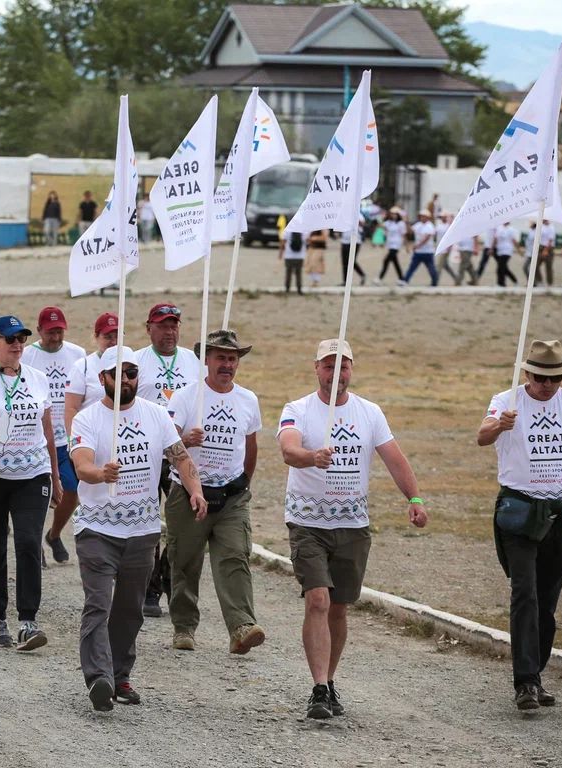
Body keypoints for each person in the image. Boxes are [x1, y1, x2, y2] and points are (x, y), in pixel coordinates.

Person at [277, 339, 427, 720]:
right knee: (318, 600)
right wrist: (312, 457)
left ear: (351, 371)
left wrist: (414, 499)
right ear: (316, 369)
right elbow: (288, 450)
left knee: (339, 609)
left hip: (353, 526)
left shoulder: (369, 412)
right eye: (329, 366)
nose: (336, 373)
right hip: (308, 522)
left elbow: (394, 458)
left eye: (343, 366)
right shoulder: (297, 409)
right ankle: (318, 688)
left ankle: (329, 679)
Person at [476, 339, 562, 710]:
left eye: (554, 378)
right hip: (518, 512)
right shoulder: (506, 400)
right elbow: (481, 435)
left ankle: (535, 674)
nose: (547, 385)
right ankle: (525, 682)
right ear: (527, 374)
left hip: (559, 513)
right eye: (539, 377)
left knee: (548, 601)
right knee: (525, 593)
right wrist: (500, 425)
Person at [68, 345, 207, 711]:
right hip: (97, 528)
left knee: (130, 609)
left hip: (142, 530)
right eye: (119, 374)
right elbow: (81, 466)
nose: (127, 380)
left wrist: (195, 491)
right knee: (98, 604)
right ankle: (98, 677)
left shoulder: (157, 415)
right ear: (103, 379)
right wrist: (101, 473)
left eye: (132, 373)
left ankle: (120, 674)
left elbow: (181, 457)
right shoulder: (86, 419)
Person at [0, 315, 62, 650]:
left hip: (32, 474)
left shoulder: (37, 378)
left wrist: (55, 475)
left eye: (21, 339)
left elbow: (47, 427)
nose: (17, 345)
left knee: (29, 543)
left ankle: (29, 621)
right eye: (9, 339)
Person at [165, 330, 265, 654]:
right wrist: (186, 442)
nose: (227, 364)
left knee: (235, 555)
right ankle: (183, 626)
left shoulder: (248, 399)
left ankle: (241, 627)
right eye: (220, 357)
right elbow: (166, 444)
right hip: (188, 493)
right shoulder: (184, 397)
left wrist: (243, 483)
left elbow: (251, 446)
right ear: (205, 360)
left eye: (232, 358)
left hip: (232, 495)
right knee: (184, 561)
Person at [133, 301, 201, 617]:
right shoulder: (136, 362)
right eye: (162, 325)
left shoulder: (193, 362)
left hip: (182, 453)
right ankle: (149, 588)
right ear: (149, 328)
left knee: (181, 525)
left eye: (174, 325)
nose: (169, 331)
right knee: (148, 521)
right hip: (148, 454)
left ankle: (170, 582)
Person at [22, 306, 86, 563]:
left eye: (59, 331)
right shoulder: (27, 355)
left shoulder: (77, 354)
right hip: (36, 437)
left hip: (66, 437)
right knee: (37, 495)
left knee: (71, 490)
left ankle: (55, 533)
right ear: (39, 331)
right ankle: (33, 541)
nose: (56, 337)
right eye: (50, 332)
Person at [401, 210, 438, 286]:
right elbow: (410, 231)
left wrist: (417, 246)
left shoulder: (430, 226)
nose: (422, 218)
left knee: (431, 269)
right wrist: (407, 223)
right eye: (421, 216)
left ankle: (434, 282)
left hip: (427, 252)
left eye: (423, 216)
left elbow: (426, 238)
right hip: (418, 252)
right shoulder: (418, 224)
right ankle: (405, 281)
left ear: (427, 217)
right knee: (412, 267)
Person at [378, 208, 406, 282]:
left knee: (386, 260)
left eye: (395, 214)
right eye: (392, 214)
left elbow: (403, 234)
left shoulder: (401, 223)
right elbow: (381, 226)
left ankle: (380, 278)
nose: (393, 215)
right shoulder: (389, 223)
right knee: (395, 262)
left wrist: (406, 245)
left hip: (396, 245)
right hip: (390, 244)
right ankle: (401, 278)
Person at [492, 222, 520, 287]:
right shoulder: (499, 228)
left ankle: (501, 284)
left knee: (501, 267)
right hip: (500, 250)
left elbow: (514, 240)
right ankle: (513, 281)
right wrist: (492, 248)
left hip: (507, 251)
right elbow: (495, 239)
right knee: (503, 267)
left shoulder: (511, 229)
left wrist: (518, 249)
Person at [282, 227, 305, 294]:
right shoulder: (304, 230)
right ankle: (299, 289)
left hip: (289, 255)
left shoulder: (287, 230)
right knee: (298, 273)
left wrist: (280, 254)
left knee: (288, 272)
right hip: (300, 255)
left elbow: (283, 242)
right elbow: (307, 240)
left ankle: (287, 288)